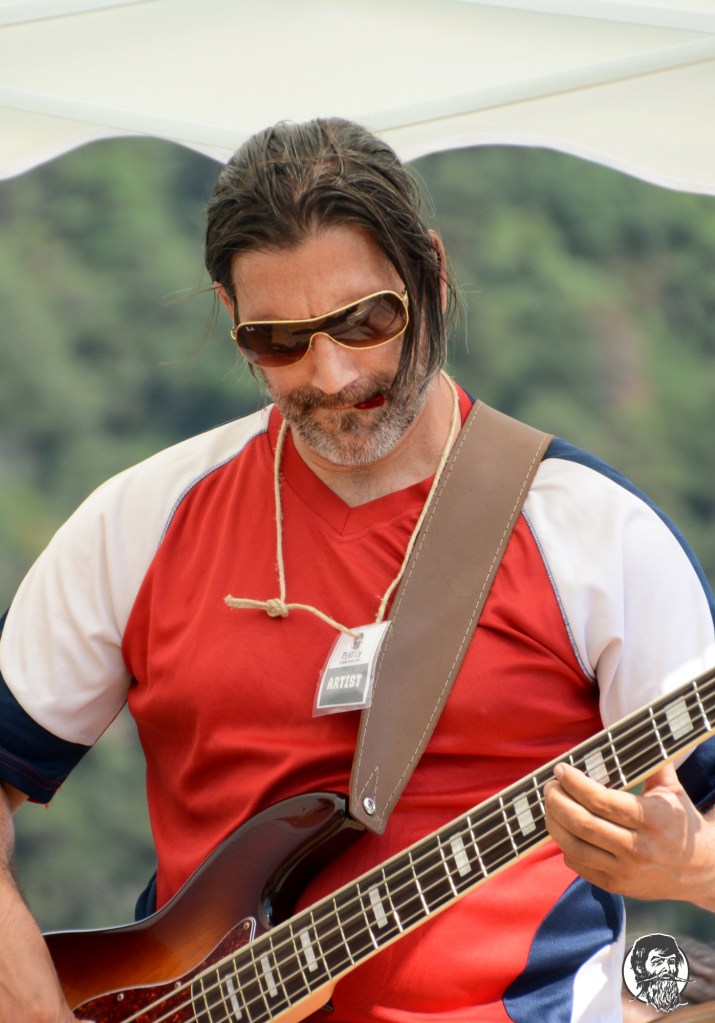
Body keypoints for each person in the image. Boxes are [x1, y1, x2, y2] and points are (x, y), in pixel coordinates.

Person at [0, 116, 714, 1023]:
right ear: (228, 314)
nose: (332, 374)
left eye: (365, 320)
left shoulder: (595, 532)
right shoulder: (137, 522)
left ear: (432, 274)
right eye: (277, 339)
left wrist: (689, 866)